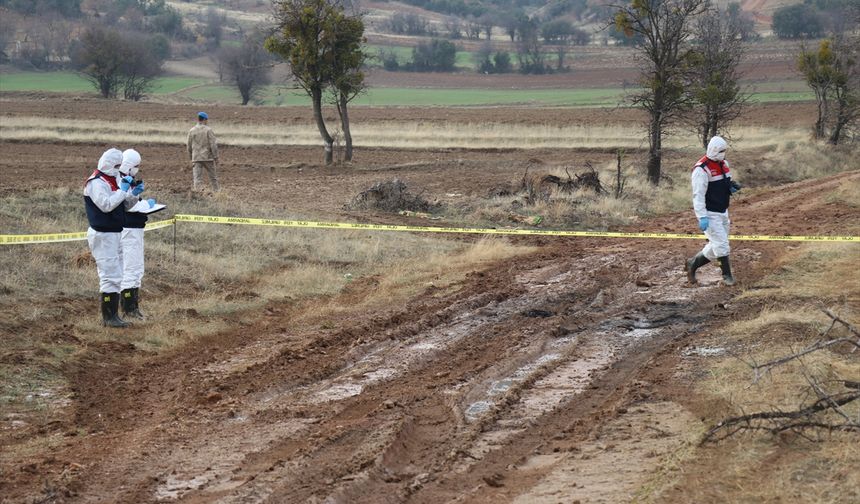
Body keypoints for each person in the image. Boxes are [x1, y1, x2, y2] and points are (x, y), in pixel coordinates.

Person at [84, 148, 145, 327]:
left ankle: (114, 315)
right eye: (117, 166)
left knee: (117, 274)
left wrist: (133, 194)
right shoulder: (96, 182)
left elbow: (124, 204)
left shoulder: (113, 179)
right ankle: (109, 317)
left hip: (115, 232)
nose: (119, 169)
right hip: (103, 234)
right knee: (109, 274)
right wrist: (122, 191)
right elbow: (107, 205)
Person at [685, 136, 742, 286]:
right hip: (709, 213)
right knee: (722, 244)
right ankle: (727, 277)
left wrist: (730, 187)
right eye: (722, 151)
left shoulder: (724, 164)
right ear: (715, 150)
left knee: (716, 244)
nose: (724, 153)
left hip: (723, 210)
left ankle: (693, 263)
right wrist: (702, 217)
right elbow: (698, 195)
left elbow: (725, 182)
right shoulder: (701, 169)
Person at [118, 148, 157, 320]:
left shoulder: (127, 180)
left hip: (135, 229)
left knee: (137, 269)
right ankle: (128, 309)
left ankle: (133, 306)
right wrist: (146, 205)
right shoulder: (120, 180)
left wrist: (137, 195)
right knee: (131, 269)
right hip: (128, 229)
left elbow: (130, 200)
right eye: (136, 166)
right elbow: (128, 205)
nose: (137, 170)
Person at [187, 111, 220, 192]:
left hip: (196, 158)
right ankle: (217, 193)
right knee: (213, 178)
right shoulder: (208, 130)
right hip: (207, 157)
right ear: (204, 119)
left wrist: (191, 157)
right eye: (207, 120)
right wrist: (216, 157)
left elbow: (188, 146)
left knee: (197, 179)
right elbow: (213, 145)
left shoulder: (192, 130)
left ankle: (198, 195)